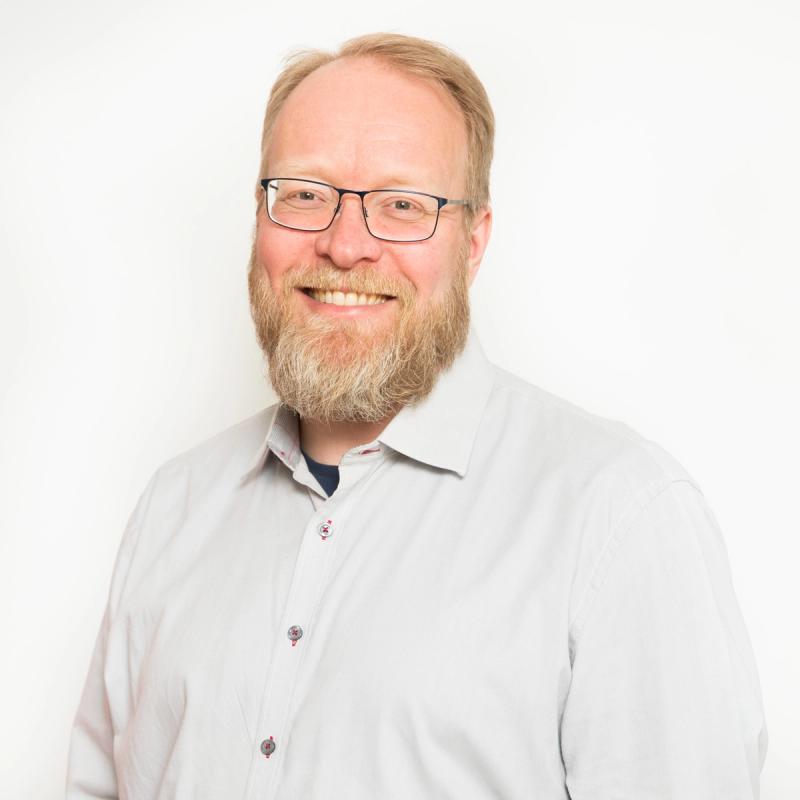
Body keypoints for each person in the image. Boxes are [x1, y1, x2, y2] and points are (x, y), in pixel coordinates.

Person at [66, 32, 767, 799]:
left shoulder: (615, 517)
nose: (344, 246)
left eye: (403, 205)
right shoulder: (173, 509)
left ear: (474, 243)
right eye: (304, 193)